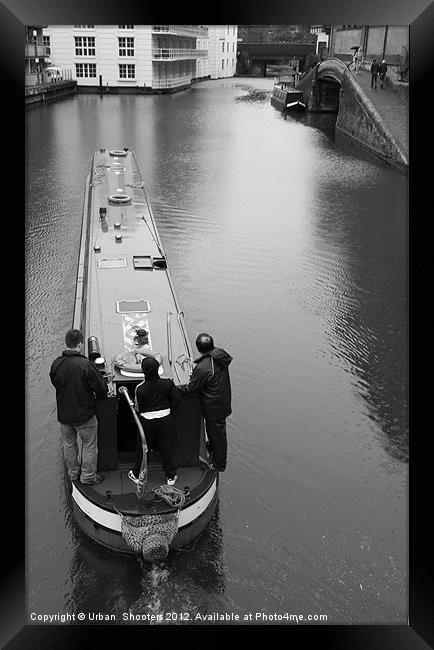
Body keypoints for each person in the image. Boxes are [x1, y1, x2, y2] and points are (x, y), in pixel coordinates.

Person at [50, 329, 109, 485]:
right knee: (89, 445)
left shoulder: (56, 363)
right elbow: (101, 389)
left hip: (64, 416)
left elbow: (55, 383)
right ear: (81, 344)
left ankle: (73, 473)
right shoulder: (85, 365)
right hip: (84, 416)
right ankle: (88, 476)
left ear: (67, 343)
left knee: (69, 444)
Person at [181, 334, 232, 472]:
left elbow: (191, 388)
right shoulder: (220, 356)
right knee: (217, 433)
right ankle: (213, 448)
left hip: (213, 407)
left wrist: (178, 387)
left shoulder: (203, 367)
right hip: (222, 401)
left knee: (218, 435)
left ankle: (219, 463)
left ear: (198, 348)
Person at [129, 356, 182, 486]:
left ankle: (136, 474)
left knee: (144, 449)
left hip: (147, 422)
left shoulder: (140, 388)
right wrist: (169, 410)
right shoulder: (168, 383)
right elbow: (177, 400)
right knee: (167, 447)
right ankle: (170, 476)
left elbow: (138, 408)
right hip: (166, 420)